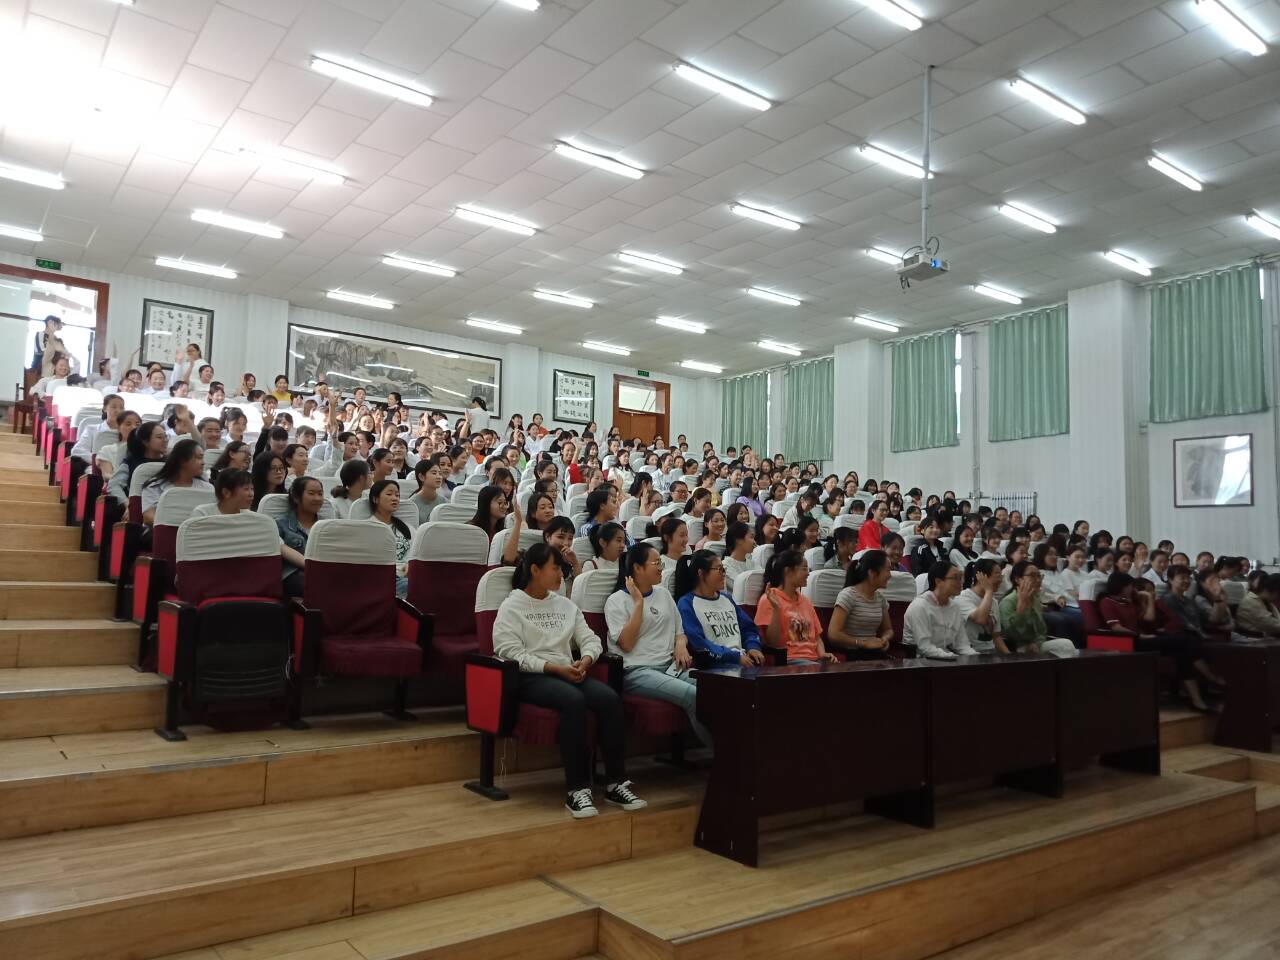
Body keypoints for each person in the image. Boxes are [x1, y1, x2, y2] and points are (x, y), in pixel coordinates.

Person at [492, 543, 647, 819]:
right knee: (573, 700)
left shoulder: (565, 605)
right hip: (532, 676)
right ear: (535, 570)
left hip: (568, 671)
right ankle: (577, 790)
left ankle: (616, 783)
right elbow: (509, 651)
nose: (560, 574)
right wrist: (553, 668)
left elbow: (591, 640)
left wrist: (585, 660)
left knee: (609, 699)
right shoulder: (511, 606)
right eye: (555, 568)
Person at [605, 543, 708, 746]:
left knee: (715, 688)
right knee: (693, 695)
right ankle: (722, 754)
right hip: (638, 671)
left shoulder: (663, 594)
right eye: (656, 563)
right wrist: (639, 603)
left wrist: (680, 645)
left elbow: (679, 631)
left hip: (670, 667)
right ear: (637, 568)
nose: (661, 567)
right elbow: (626, 644)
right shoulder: (616, 601)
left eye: (661, 562)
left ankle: (734, 749)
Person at [673, 550, 766, 667]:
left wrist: (753, 646)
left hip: (742, 663)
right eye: (719, 569)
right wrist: (734, 657)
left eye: (724, 569)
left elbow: (748, 628)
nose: (724, 574)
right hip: (716, 668)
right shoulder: (686, 604)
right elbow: (699, 643)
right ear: (701, 573)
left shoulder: (727, 599)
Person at [755, 549, 835, 665]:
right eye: (804, 569)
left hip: (813, 661)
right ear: (788, 571)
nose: (808, 573)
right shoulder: (769, 599)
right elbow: (772, 643)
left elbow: (816, 636)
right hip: (789, 660)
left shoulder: (806, 601)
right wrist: (777, 609)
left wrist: (822, 654)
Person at [998, 561, 1078, 658]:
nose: (1038, 580)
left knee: (1069, 648)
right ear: (1018, 579)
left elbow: (1042, 630)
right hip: (1017, 648)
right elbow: (1010, 635)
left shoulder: (1035, 599)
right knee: (1066, 646)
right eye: (1032, 576)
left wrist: (1038, 643)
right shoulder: (1008, 602)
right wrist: (1021, 609)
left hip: (1036, 646)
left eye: (1039, 576)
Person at [827, 549, 893, 657]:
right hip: (851, 654)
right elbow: (833, 634)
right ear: (872, 573)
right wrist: (863, 643)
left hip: (874, 652)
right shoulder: (848, 595)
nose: (890, 575)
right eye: (888, 570)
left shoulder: (880, 598)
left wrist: (884, 639)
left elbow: (888, 629)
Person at [903, 562, 974, 660]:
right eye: (955, 578)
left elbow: (962, 645)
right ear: (938, 581)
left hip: (945, 658)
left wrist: (977, 657)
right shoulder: (920, 606)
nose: (960, 582)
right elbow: (925, 647)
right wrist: (953, 658)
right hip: (919, 661)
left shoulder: (954, 607)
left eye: (960, 577)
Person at [140, 439, 212, 524]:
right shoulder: (155, 486)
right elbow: (148, 516)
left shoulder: (207, 488)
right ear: (182, 461)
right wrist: (178, 525)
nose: (203, 463)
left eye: (202, 458)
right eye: (199, 458)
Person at [277, 476, 324, 597]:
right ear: (296, 497)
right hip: (295, 576)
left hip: (324, 573)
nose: (317, 498)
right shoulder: (280, 524)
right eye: (311, 493)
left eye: (320, 494)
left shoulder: (327, 525)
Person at [952, 558, 1008, 653]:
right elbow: (980, 618)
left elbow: (996, 637)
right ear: (982, 577)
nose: (1001, 580)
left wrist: (1009, 656)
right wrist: (989, 591)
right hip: (970, 653)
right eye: (997, 574)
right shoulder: (963, 598)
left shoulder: (993, 601)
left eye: (1001, 575)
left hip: (990, 652)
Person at [368, 479, 412, 598]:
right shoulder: (366, 527)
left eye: (397, 495)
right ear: (375, 499)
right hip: (382, 577)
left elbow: (416, 552)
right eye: (389, 494)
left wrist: (411, 564)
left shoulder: (407, 528)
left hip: (407, 576)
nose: (395, 498)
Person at [411, 457, 447, 524]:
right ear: (421, 477)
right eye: (434, 473)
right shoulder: (412, 504)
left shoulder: (444, 501)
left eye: (440, 473)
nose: (439, 477)